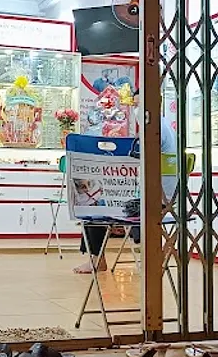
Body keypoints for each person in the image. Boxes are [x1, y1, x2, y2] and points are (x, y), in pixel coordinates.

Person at [72, 100, 176, 273]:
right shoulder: (166, 127)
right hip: (167, 198)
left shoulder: (154, 129)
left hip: (153, 200)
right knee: (99, 199)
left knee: (94, 207)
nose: (136, 109)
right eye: (134, 104)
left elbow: (135, 161)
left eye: (138, 104)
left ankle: (97, 259)